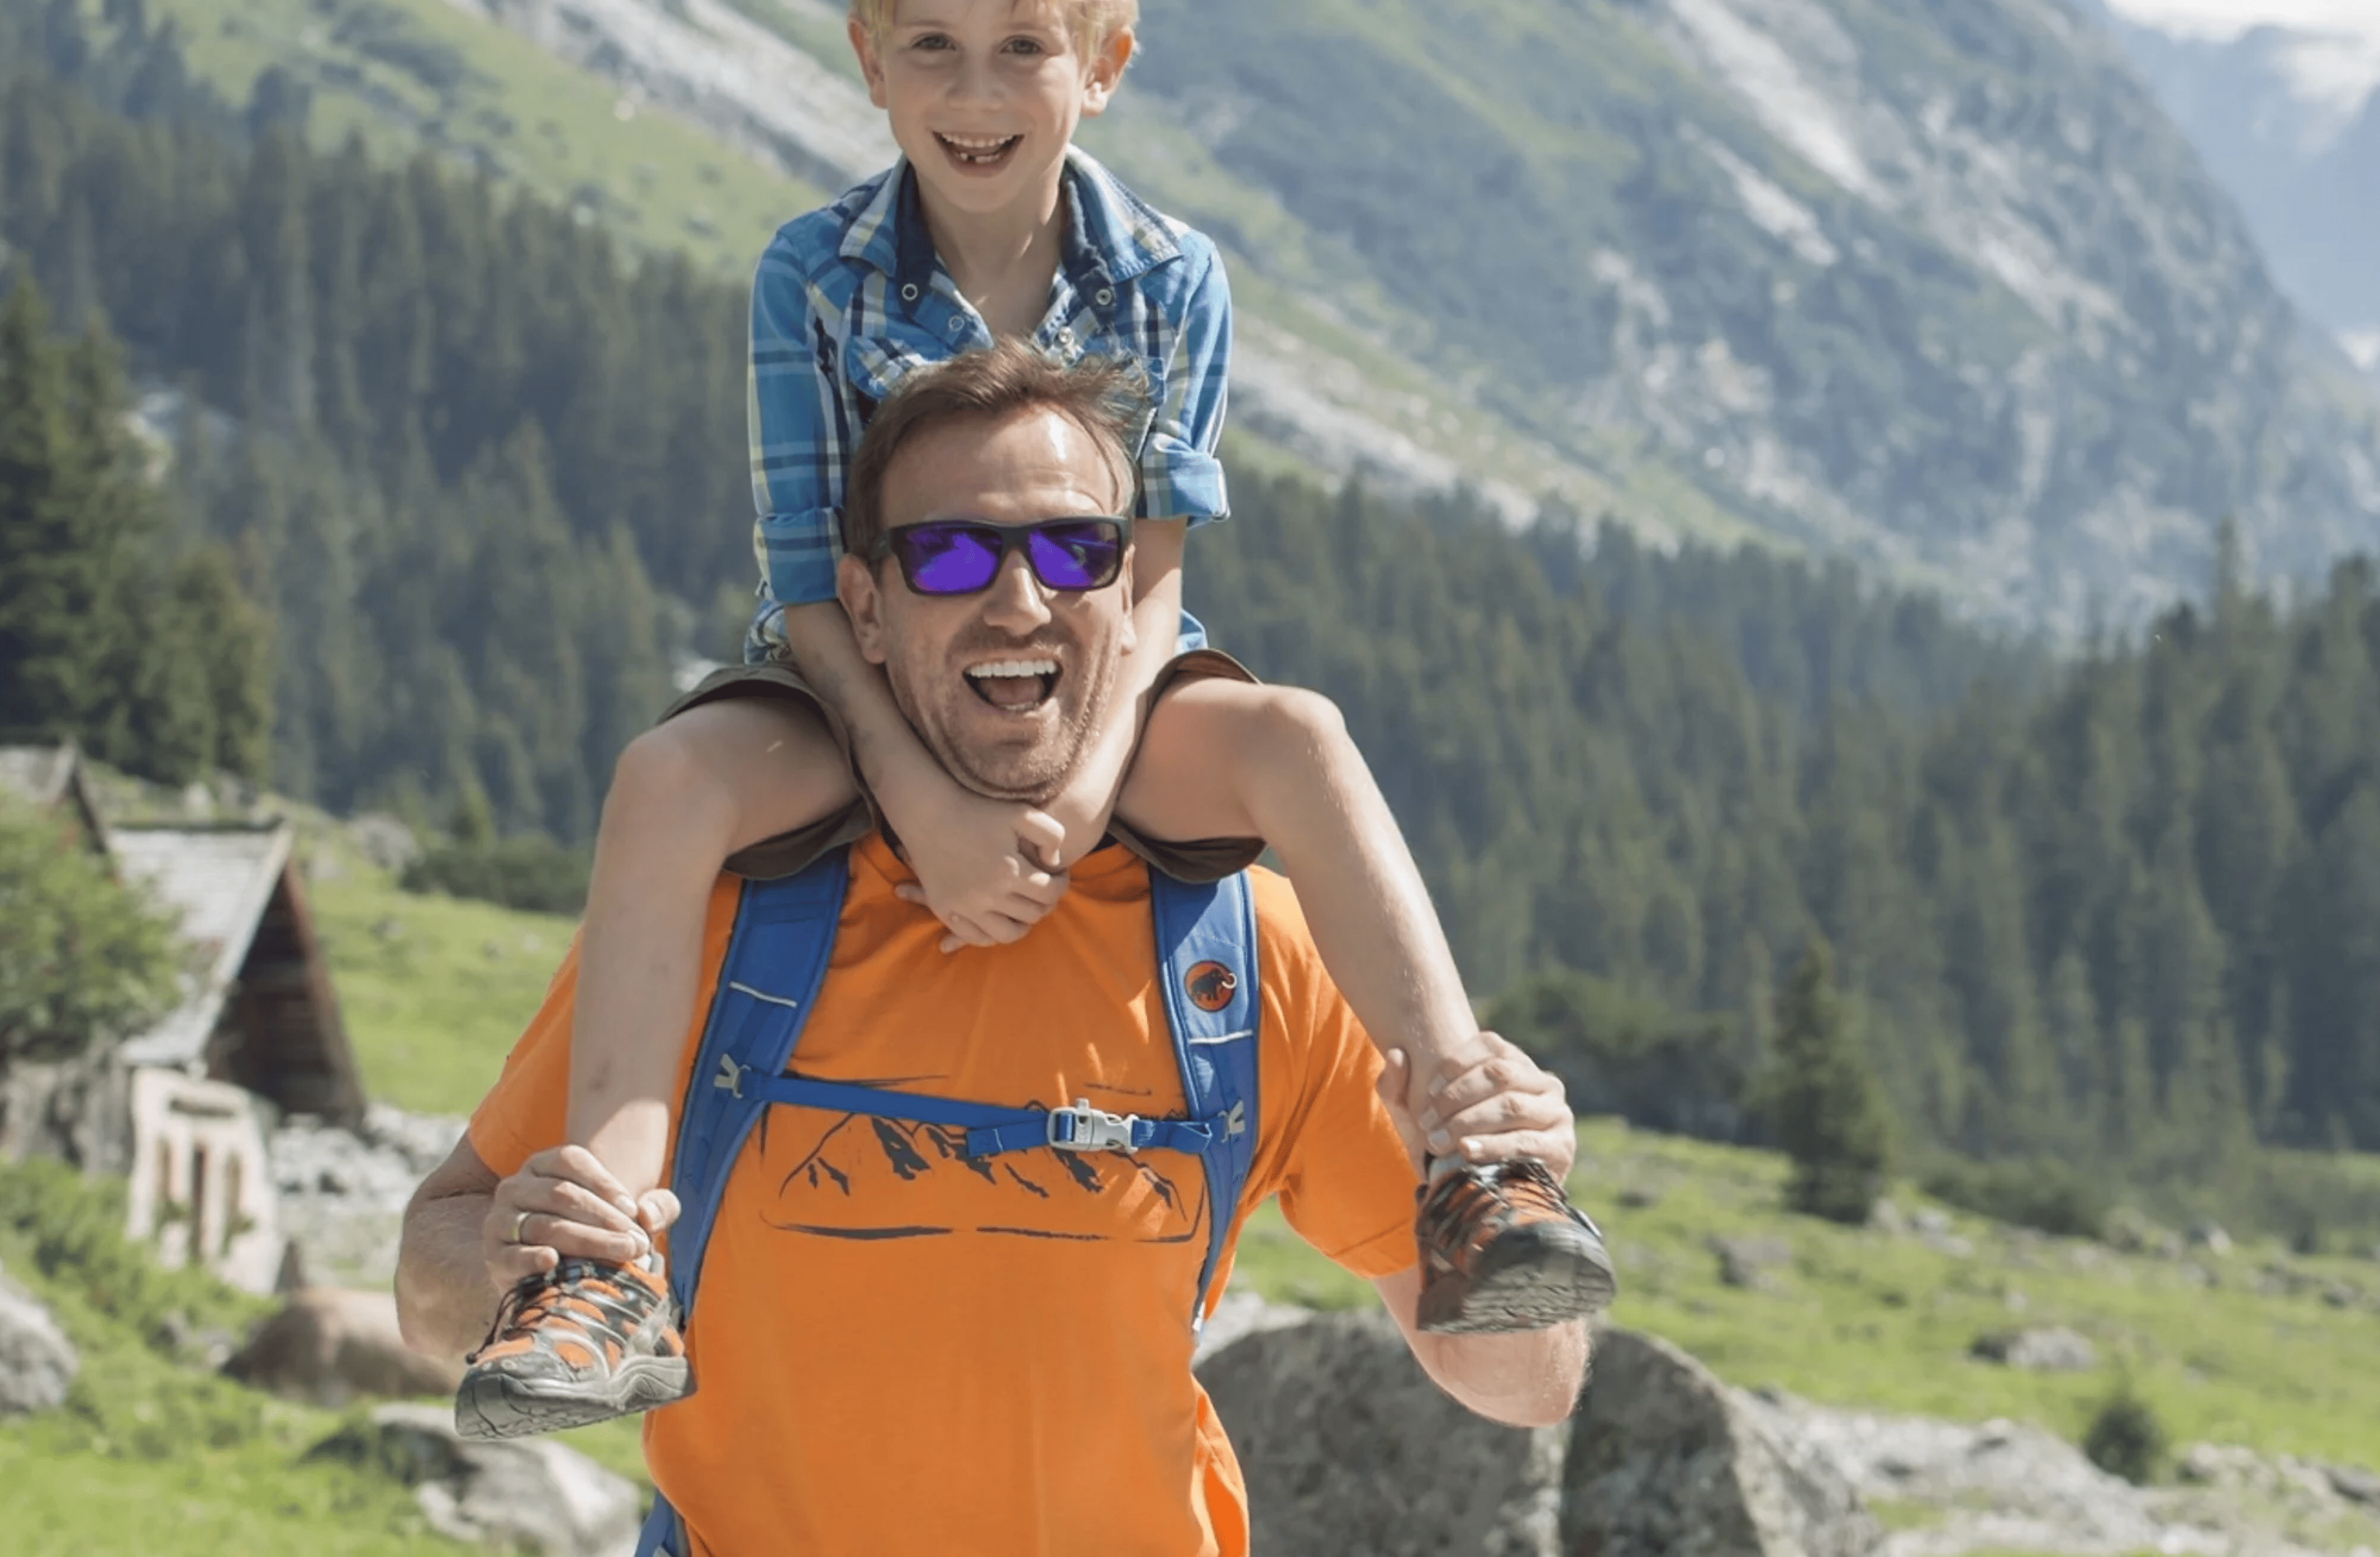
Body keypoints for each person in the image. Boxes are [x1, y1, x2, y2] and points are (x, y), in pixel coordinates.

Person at [467, 0, 1612, 1431]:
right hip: (855, 679)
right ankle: (604, 1262)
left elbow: (1154, 570)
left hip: (1107, 674)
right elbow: (805, 581)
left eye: (1023, 49)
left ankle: (1478, 1157)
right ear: (869, 62)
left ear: (1105, 62)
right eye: (932, 48)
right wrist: (923, 801)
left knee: (1298, 735)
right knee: (670, 779)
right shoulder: (810, 274)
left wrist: (1080, 790)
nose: (978, 92)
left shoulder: (1172, 276)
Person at [398, 347, 1593, 1555]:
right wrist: (512, 1260)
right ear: (865, 609)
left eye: (1076, 551)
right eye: (949, 554)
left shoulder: (1249, 952)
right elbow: (427, 1284)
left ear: (1129, 600)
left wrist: (1493, 1158)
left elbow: (1523, 1386)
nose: (1019, 601)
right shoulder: (714, 923)